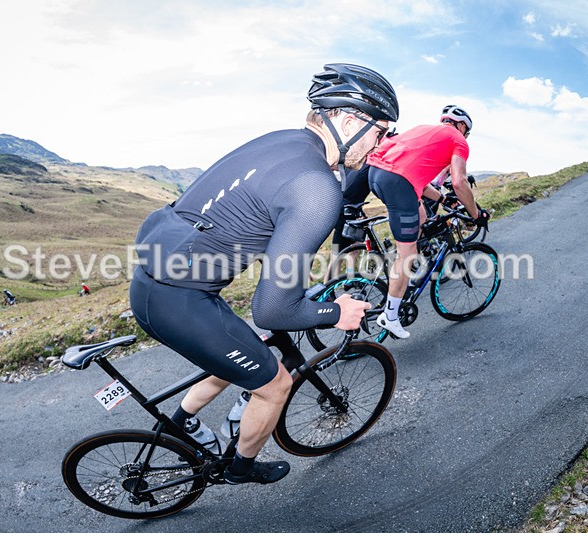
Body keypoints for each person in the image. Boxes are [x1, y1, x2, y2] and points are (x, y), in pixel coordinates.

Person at [130, 63, 398, 485]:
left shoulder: (282, 142)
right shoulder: (317, 187)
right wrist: (336, 312)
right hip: (180, 301)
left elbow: (244, 221)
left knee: (245, 345)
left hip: (154, 282)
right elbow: (274, 309)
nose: (380, 145)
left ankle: (183, 419)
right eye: (381, 132)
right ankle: (241, 467)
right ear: (349, 120)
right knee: (274, 384)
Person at [366, 104, 489, 339]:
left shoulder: (424, 129)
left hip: (376, 174)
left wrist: (443, 199)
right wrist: (476, 214)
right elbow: (460, 182)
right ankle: (390, 315)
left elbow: (417, 180)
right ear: (462, 126)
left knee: (422, 215)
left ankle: (405, 267)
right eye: (467, 132)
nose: (465, 136)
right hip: (397, 182)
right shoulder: (458, 140)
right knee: (407, 254)